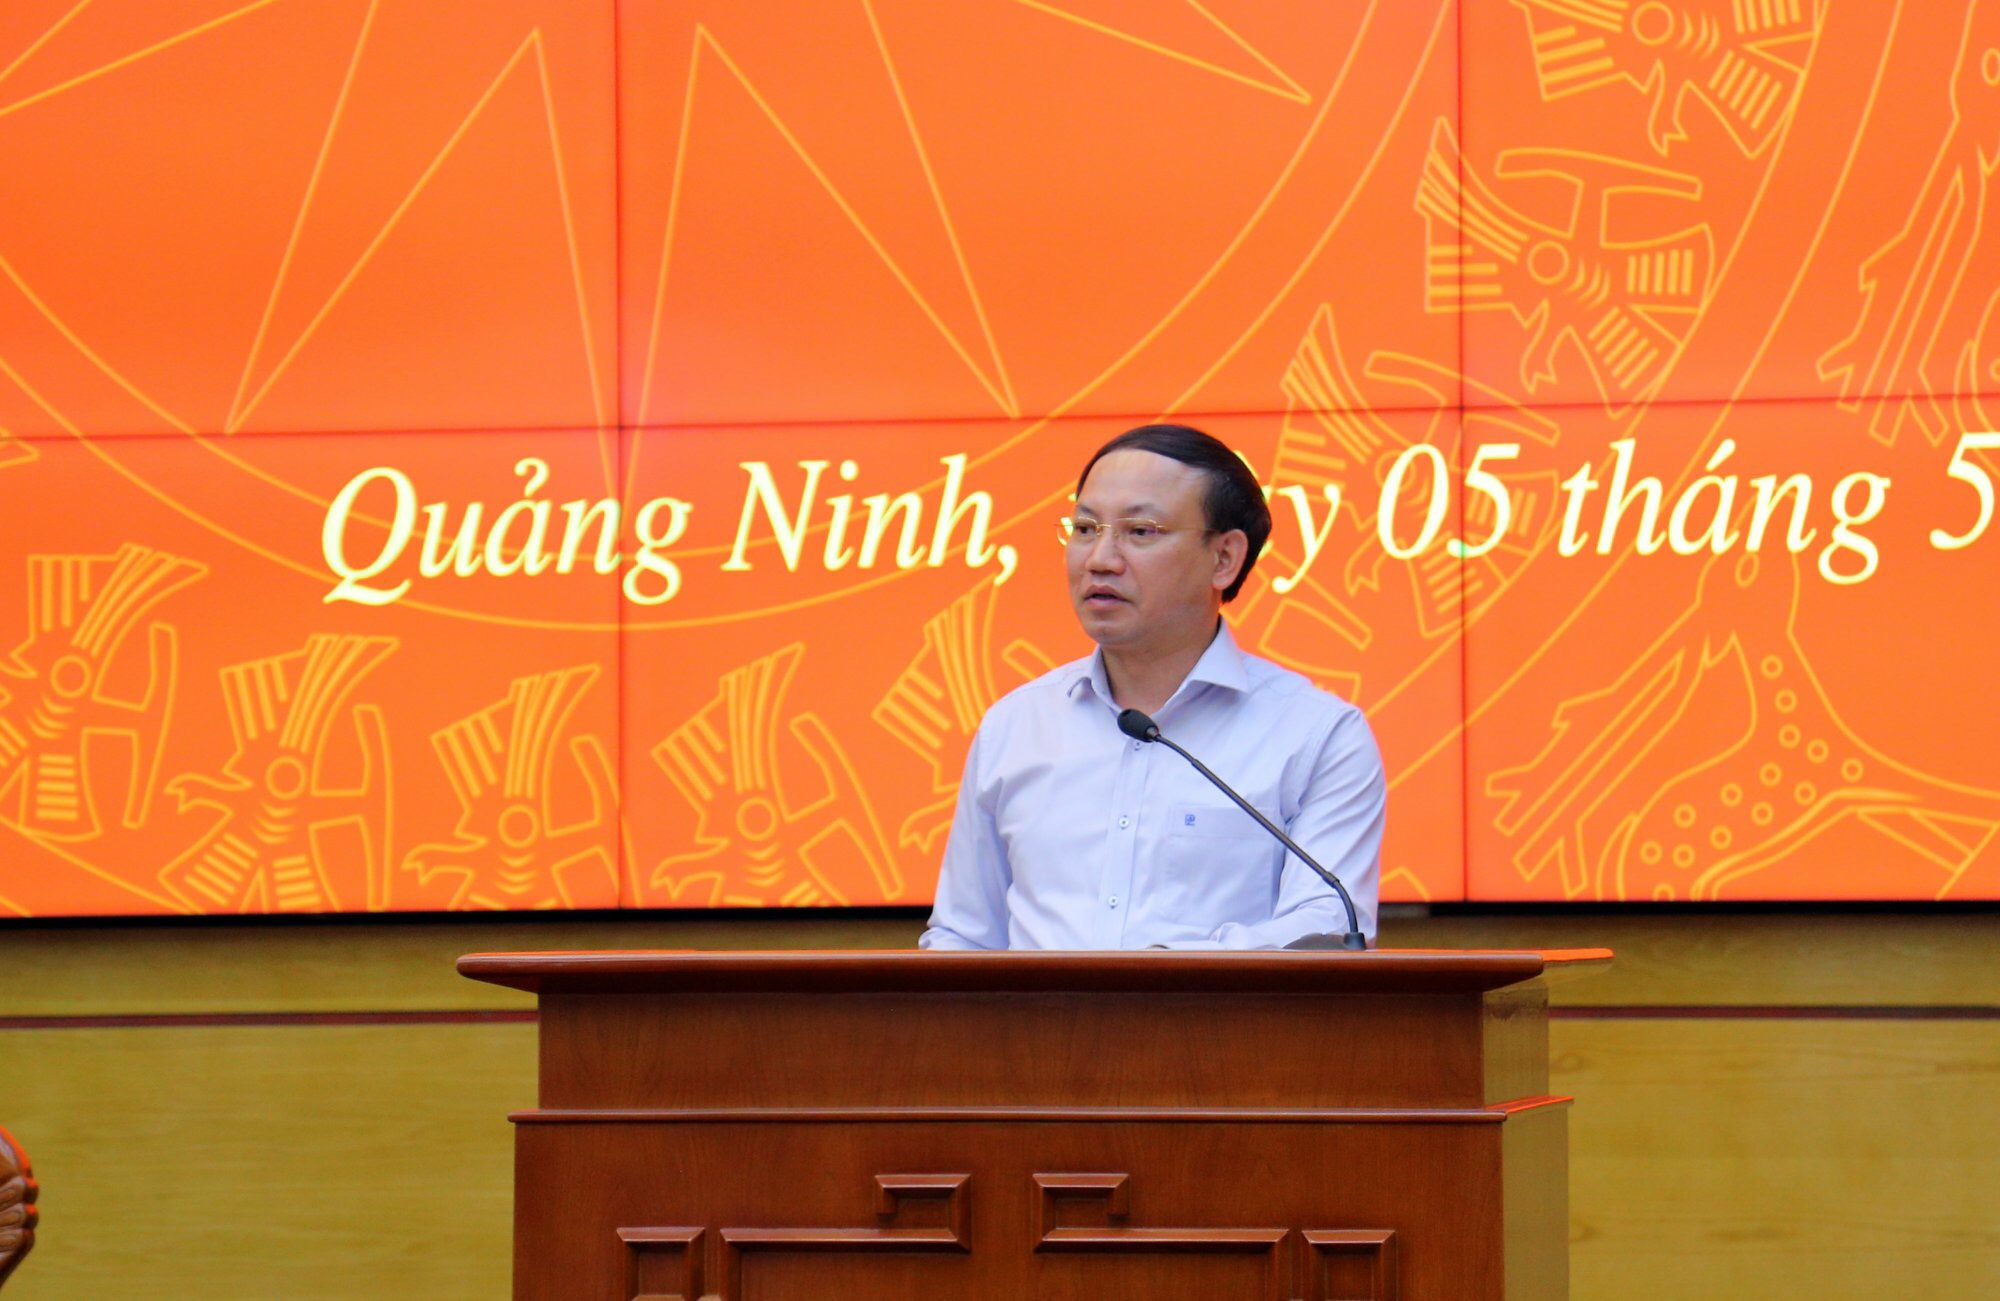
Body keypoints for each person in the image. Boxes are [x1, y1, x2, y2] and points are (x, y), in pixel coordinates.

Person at [920, 424, 1385, 950]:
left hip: (1221, 1010)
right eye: (1085, 528)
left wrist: (1161, 973)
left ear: (1224, 558)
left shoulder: (1318, 735)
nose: (1099, 559)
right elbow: (964, 936)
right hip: (1041, 1012)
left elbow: (1326, 929)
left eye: (1140, 531)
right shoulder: (1017, 725)